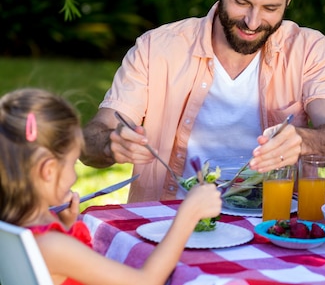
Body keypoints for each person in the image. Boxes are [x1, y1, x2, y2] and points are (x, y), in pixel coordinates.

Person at [81, 0, 325, 202]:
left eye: (270, 8)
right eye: (241, 2)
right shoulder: (156, 49)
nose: (252, 22)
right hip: (168, 225)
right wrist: (109, 144)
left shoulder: (308, 49)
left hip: (271, 228)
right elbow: (91, 140)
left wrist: (303, 141)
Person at [0, 88, 222, 285]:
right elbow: (145, 281)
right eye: (71, 163)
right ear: (48, 171)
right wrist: (187, 216)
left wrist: (65, 226)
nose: (74, 175)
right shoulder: (51, 245)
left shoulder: (14, 228)